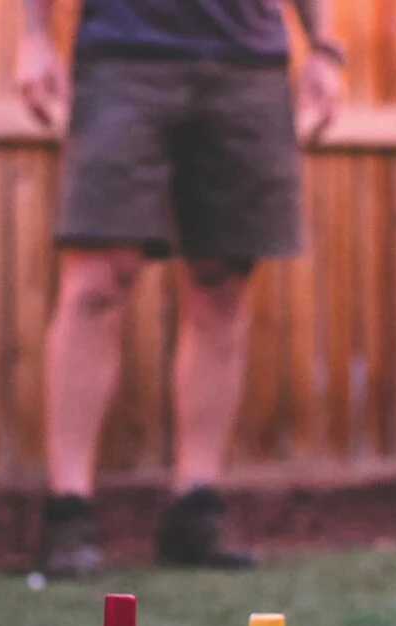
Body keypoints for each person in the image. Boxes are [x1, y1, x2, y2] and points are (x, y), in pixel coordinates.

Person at [18, 0, 344, 578]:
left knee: (223, 283)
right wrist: (33, 35)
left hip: (248, 62)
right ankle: (68, 509)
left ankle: (196, 507)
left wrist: (325, 47)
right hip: (123, 58)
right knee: (98, 278)